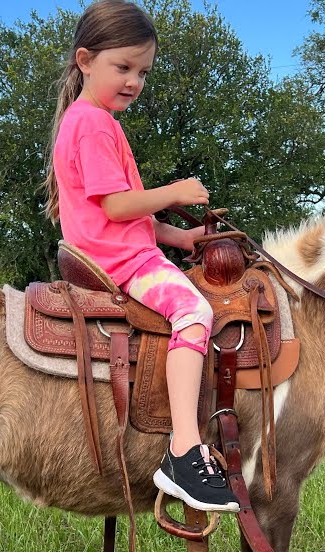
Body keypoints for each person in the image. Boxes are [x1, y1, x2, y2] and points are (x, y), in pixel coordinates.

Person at [45, 0, 238, 513]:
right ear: (85, 60)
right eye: (123, 67)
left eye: (143, 72)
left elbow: (126, 217)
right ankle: (183, 448)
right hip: (121, 263)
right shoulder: (93, 125)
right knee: (194, 311)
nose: (134, 81)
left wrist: (185, 238)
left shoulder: (92, 120)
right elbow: (117, 205)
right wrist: (174, 191)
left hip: (120, 249)